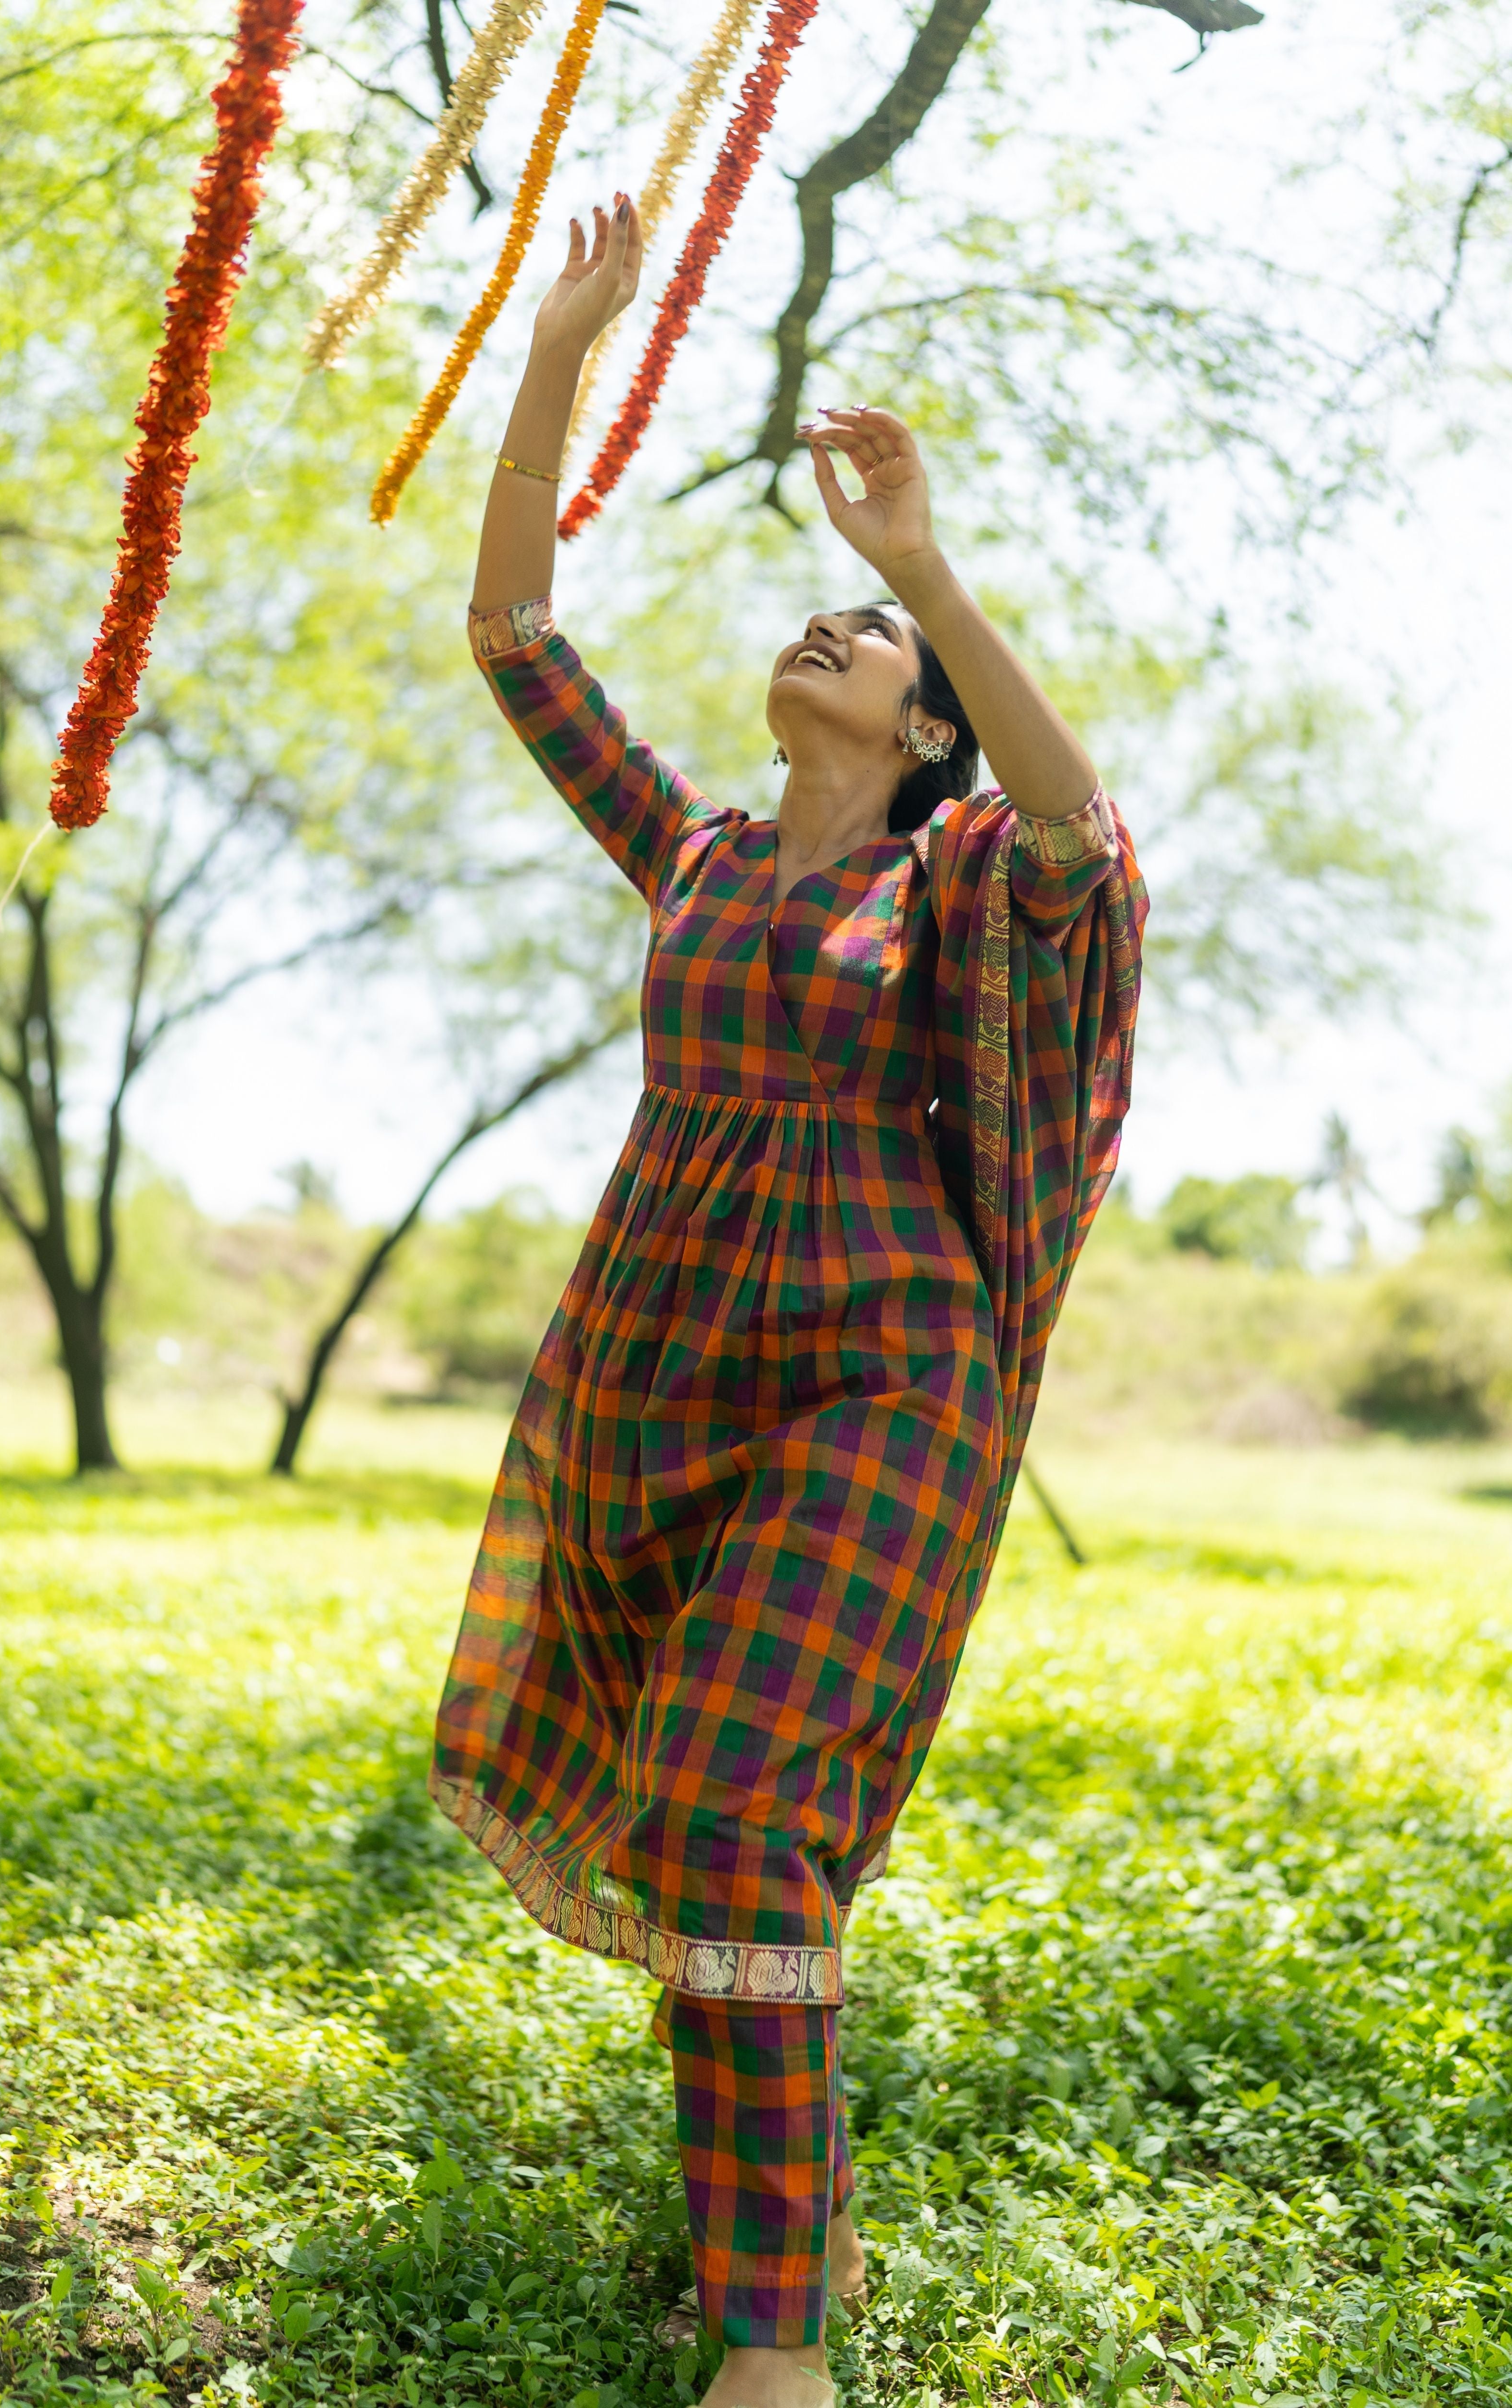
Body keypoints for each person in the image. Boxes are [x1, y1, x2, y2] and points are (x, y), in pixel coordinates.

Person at [429, 193, 1146, 2408]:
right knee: (708, 1820)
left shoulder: (959, 878)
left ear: (920, 722)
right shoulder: (708, 856)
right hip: (665, 1366)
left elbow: (1080, 833)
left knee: (740, 1788)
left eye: (872, 634)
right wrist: (564, 342)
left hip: (885, 1380)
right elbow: (515, 628)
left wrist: (928, 559)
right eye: (829, 608)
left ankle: (776, 2344)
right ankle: (781, 2197)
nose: (830, 627)